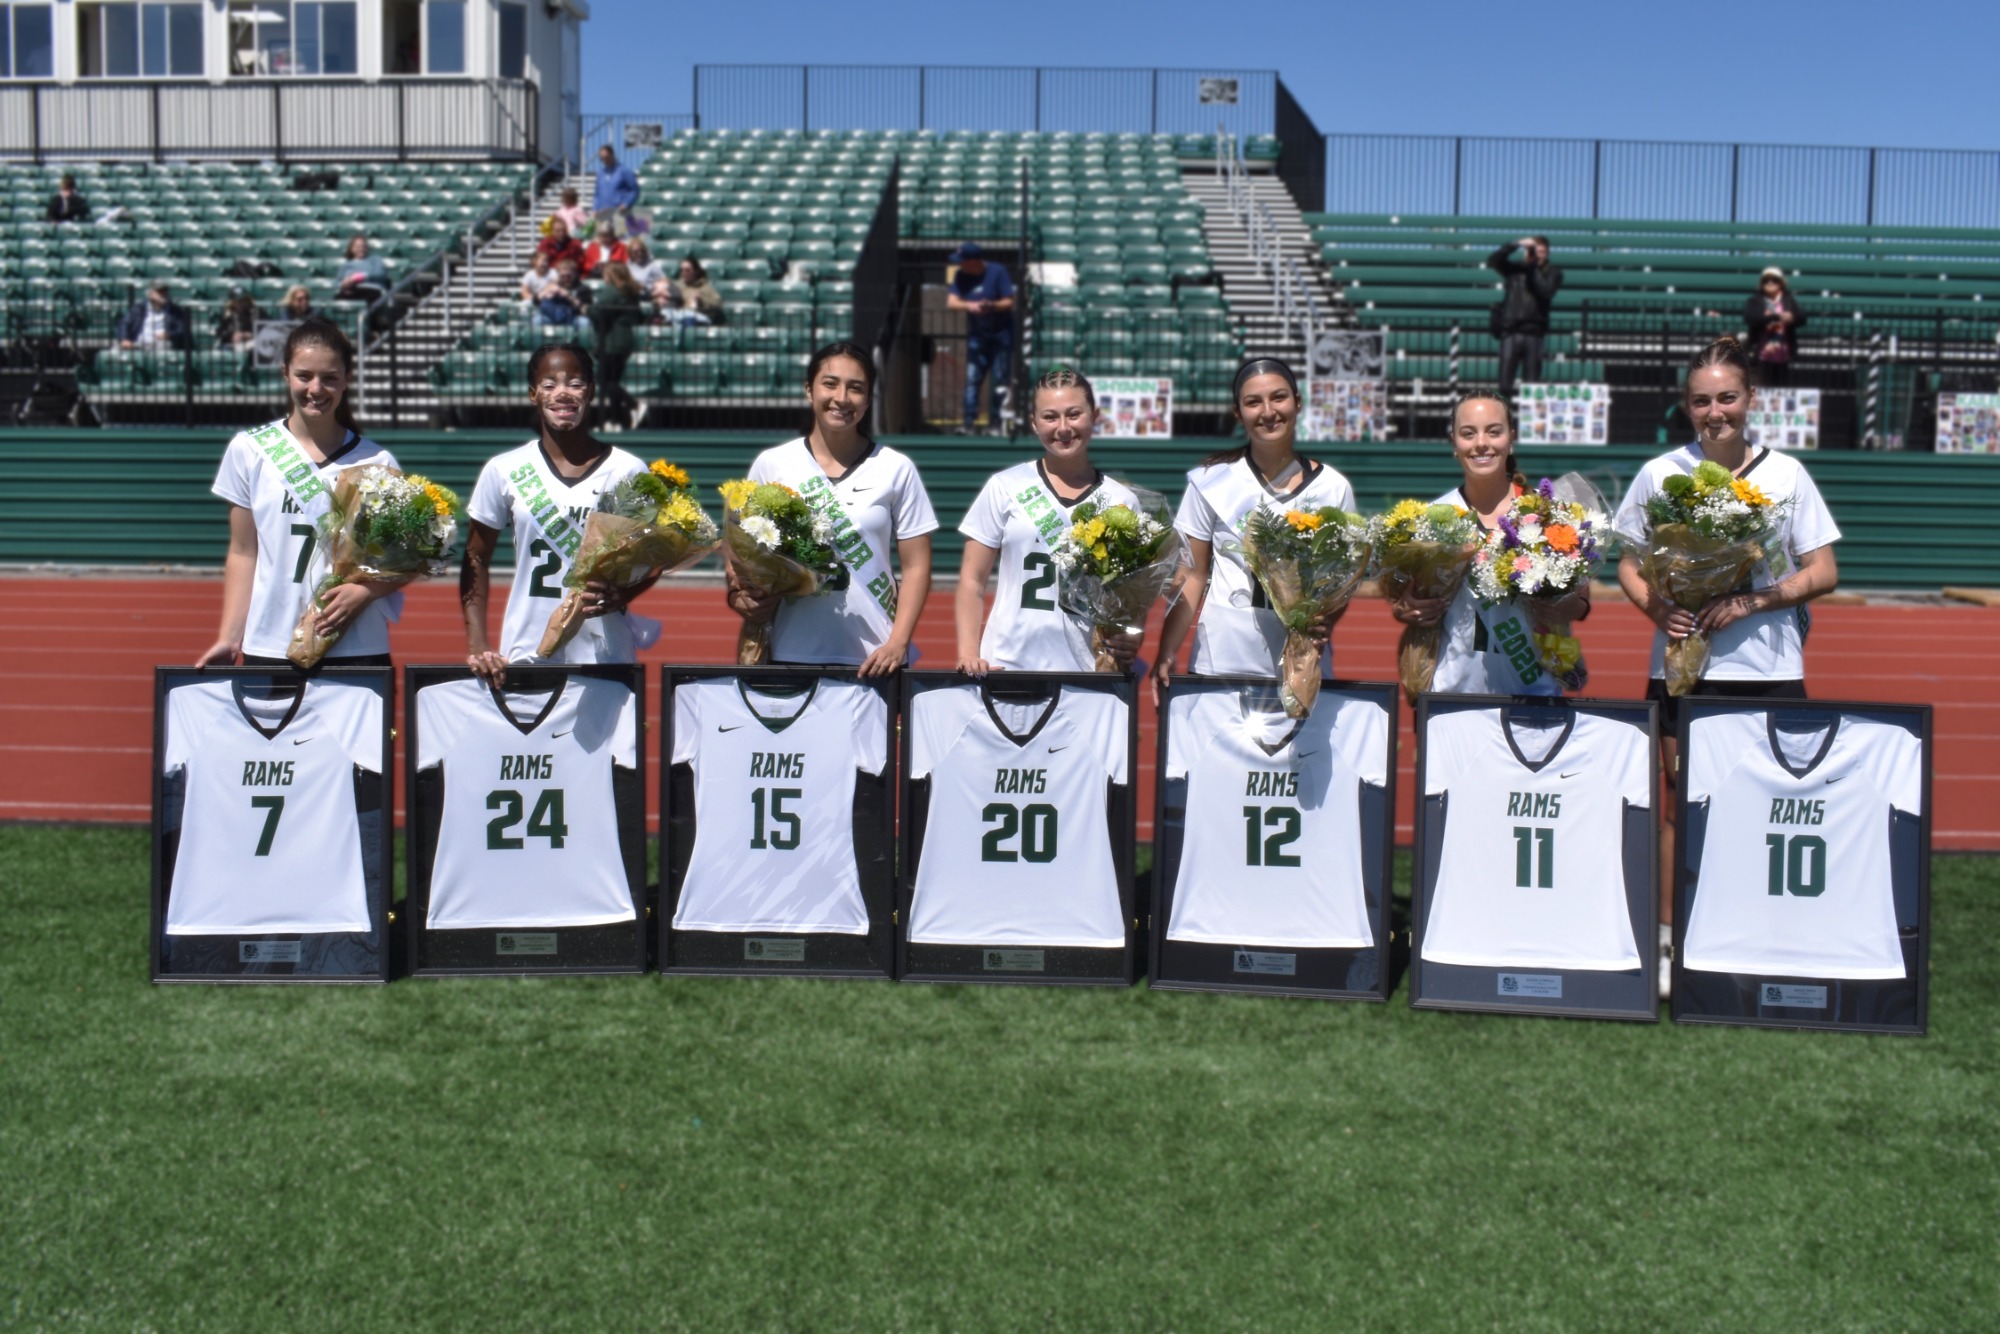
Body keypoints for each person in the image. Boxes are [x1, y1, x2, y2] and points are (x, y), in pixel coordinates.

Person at [1614, 335, 1842, 991]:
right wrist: (1656, 608)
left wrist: (1753, 600)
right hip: (1683, 669)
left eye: (1728, 398)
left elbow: (1822, 569)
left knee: (1766, 806)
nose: (1716, 412)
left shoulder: (1785, 474)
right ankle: (1666, 943)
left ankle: (1756, 934)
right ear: (1688, 406)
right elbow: (1628, 562)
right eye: (1702, 401)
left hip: (1767, 669)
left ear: (1750, 399)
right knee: (1677, 808)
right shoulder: (1663, 473)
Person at [195, 317, 404, 669]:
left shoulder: (378, 461)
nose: (316, 389)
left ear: (347, 379)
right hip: (270, 642)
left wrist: (368, 591)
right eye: (304, 375)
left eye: (330, 378)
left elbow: (399, 558)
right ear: (285, 374)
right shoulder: (251, 449)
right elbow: (244, 552)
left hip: (356, 643)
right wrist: (230, 638)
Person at [1152, 358, 1357, 700]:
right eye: (1253, 402)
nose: (1268, 411)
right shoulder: (1211, 480)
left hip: (1298, 665)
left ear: (1297, 401)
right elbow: (1192, 573)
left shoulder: (1333, 488)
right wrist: (1167, 649)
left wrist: (1326, 622)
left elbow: (1341, 583)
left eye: (1278, 397)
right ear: (1238, 413)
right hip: (1219, 662)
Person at [727, 342, 937, 675]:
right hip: (789, 649)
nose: (842, 397)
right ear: (809, 390)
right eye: (830, 383)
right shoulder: (773, 464)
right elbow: (741, 550)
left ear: (868, 400)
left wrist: (897, 643)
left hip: (874, 657)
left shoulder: (896, 468)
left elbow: (917, 567)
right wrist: (740, 596)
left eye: (856, 388)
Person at [459, 344, 662, 686]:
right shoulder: (505, 469)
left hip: (605, 652)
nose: (563, 393)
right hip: (526, 647)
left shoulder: (627, 470)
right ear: (533, 394)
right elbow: (475, 556)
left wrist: (624, 594)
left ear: (591, 392)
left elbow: (654, 557)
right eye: (550, 384)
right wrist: (478, 644)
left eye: (575, 383)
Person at [1391, 392, 1587, 695]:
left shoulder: (1548, 513)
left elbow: (1581, 600)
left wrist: (1570, 607)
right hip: (1452, 697)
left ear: (1511, 439)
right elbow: (1407, 601)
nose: (1481, 443)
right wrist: (1407, 608)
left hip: (1534, 693)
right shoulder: (1432, 519)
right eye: (1468, 433)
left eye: (1494, 431)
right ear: (1454, 444)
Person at [955, 367, 1146, 674]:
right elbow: (972, 579)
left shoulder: (1121, 501)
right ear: (1034, 422)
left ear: (1094, 416)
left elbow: (1132, 596)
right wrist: (967, 652)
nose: (1063, 427)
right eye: (1050, 417)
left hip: (1086, 669)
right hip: (1008, 662)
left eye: (1074, 414)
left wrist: (1131, 635)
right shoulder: (1005, 486)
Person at [946, 242, 1015, 433]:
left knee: (1000, 379)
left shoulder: (997, 271)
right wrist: (971, 306)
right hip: (978, 336)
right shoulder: (961, 276)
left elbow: (1009, 300)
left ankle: (995, 422)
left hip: (1001, 334)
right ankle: (968, 423)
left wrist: (990, 305)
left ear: (974, 261)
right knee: (972, 379)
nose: (959, 265)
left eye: (963, 262)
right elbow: (952, 302)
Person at [1487, 235, 1563, 394]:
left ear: (1547, 252)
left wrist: (1533, 268)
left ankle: (1527, 418)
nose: (1536, 254)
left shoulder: (1553, 273)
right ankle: (1504, 416)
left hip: (1534, 331)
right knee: (1504, 383)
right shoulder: (1515, 269)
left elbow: (1545, 291)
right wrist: (1515, 244)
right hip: (1511, 329)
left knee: (1531, 385)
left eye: (1540, 251)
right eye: (1533, 250)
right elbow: (1493, 260)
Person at [591, 262, 648, 429]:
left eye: (606, 273)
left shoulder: (612, 290)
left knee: (604, 380)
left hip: (612, 341)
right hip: (624, 341)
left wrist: (585, 308)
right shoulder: (629, 291)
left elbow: (598, 312)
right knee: (612, 380)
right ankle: (615, 421)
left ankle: (634, 404)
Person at [1744, 266, 1806, 388]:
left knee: (1781, 390)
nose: (1770, 283)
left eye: (1774, 280)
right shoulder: (1755, 300)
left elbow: (1802, 318)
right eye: (1766, 280)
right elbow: (1751, 318)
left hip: (1783, 354)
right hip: (1761, 354)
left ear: (1781, 283)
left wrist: (1791, 318)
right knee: (1762, 390)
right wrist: (1776, 317)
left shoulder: (1788, 300)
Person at [115, 282, 190, 350]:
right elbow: (124, 323)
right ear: (150, 294)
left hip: (161, 344)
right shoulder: (138, 309)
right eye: (159, 292)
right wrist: (124, 339)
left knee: (165, 345)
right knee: (114, 347)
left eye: (165, 291)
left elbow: (182, 330)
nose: (163, 294)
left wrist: (169, 335)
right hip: (138, 343)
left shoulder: (175, 311)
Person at [659, 255, 723, 327]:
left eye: (688, 270)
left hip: (697, 319)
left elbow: (717, 304)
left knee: (688, 319)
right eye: (682, 270)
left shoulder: (705, 287)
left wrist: (701, 300)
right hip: (677, 317)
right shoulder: (676, 286)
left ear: (695, 271)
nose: (684, 273)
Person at [593, 145, 640, 238]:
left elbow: (634, 190)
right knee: (604, 242)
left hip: (619, 214)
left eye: (606, 157)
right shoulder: (600, 173)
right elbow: (597, 194)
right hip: (603, 215)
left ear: (612, 155)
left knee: (620, 241)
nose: (604, 160)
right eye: (601, 158)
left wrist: (626, 204)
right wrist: (595, 209)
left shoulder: (624, 171)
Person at [535, 259, 591, 330]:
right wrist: (545, 292)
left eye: (569, 276)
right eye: (563, 276)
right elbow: (535, 300)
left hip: (572, 317)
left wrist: (568, 296)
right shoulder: (553, 285)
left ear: (575, 274)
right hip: (552, 316)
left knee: (585, 322)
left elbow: (584, 307)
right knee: (538, 320)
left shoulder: (583, 288)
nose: (566, 278)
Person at [335, 234, 389, 303]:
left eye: (363, 246)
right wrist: (344, 284)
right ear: (352, 249)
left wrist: (358, 277)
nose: (361, 249)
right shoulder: (346, 265)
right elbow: (337, 282)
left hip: (372, 290)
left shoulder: (375, 260)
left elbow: (381, 274)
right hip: (352, 290)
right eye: (357, 247)